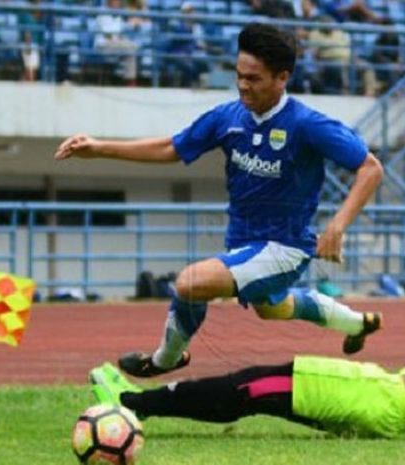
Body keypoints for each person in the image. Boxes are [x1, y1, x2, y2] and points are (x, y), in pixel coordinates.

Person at [89, 202, 405, 438]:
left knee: (252, 388)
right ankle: (141, 403)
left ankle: (132, 403)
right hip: (391, 414)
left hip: (378, 398)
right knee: (260, 391)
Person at [55, 23, 384, 378]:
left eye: (254, 78)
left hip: (284, 247)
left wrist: (337, 226)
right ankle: (356, 324)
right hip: (244, 240)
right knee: (272, 308)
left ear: (282, 77)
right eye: (239, 75)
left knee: (191, 283)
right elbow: (172, 147)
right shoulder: (228, 117)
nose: (243, 84)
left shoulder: (307, 124)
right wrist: (100, 148)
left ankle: (165, 359)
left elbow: (370, 168)